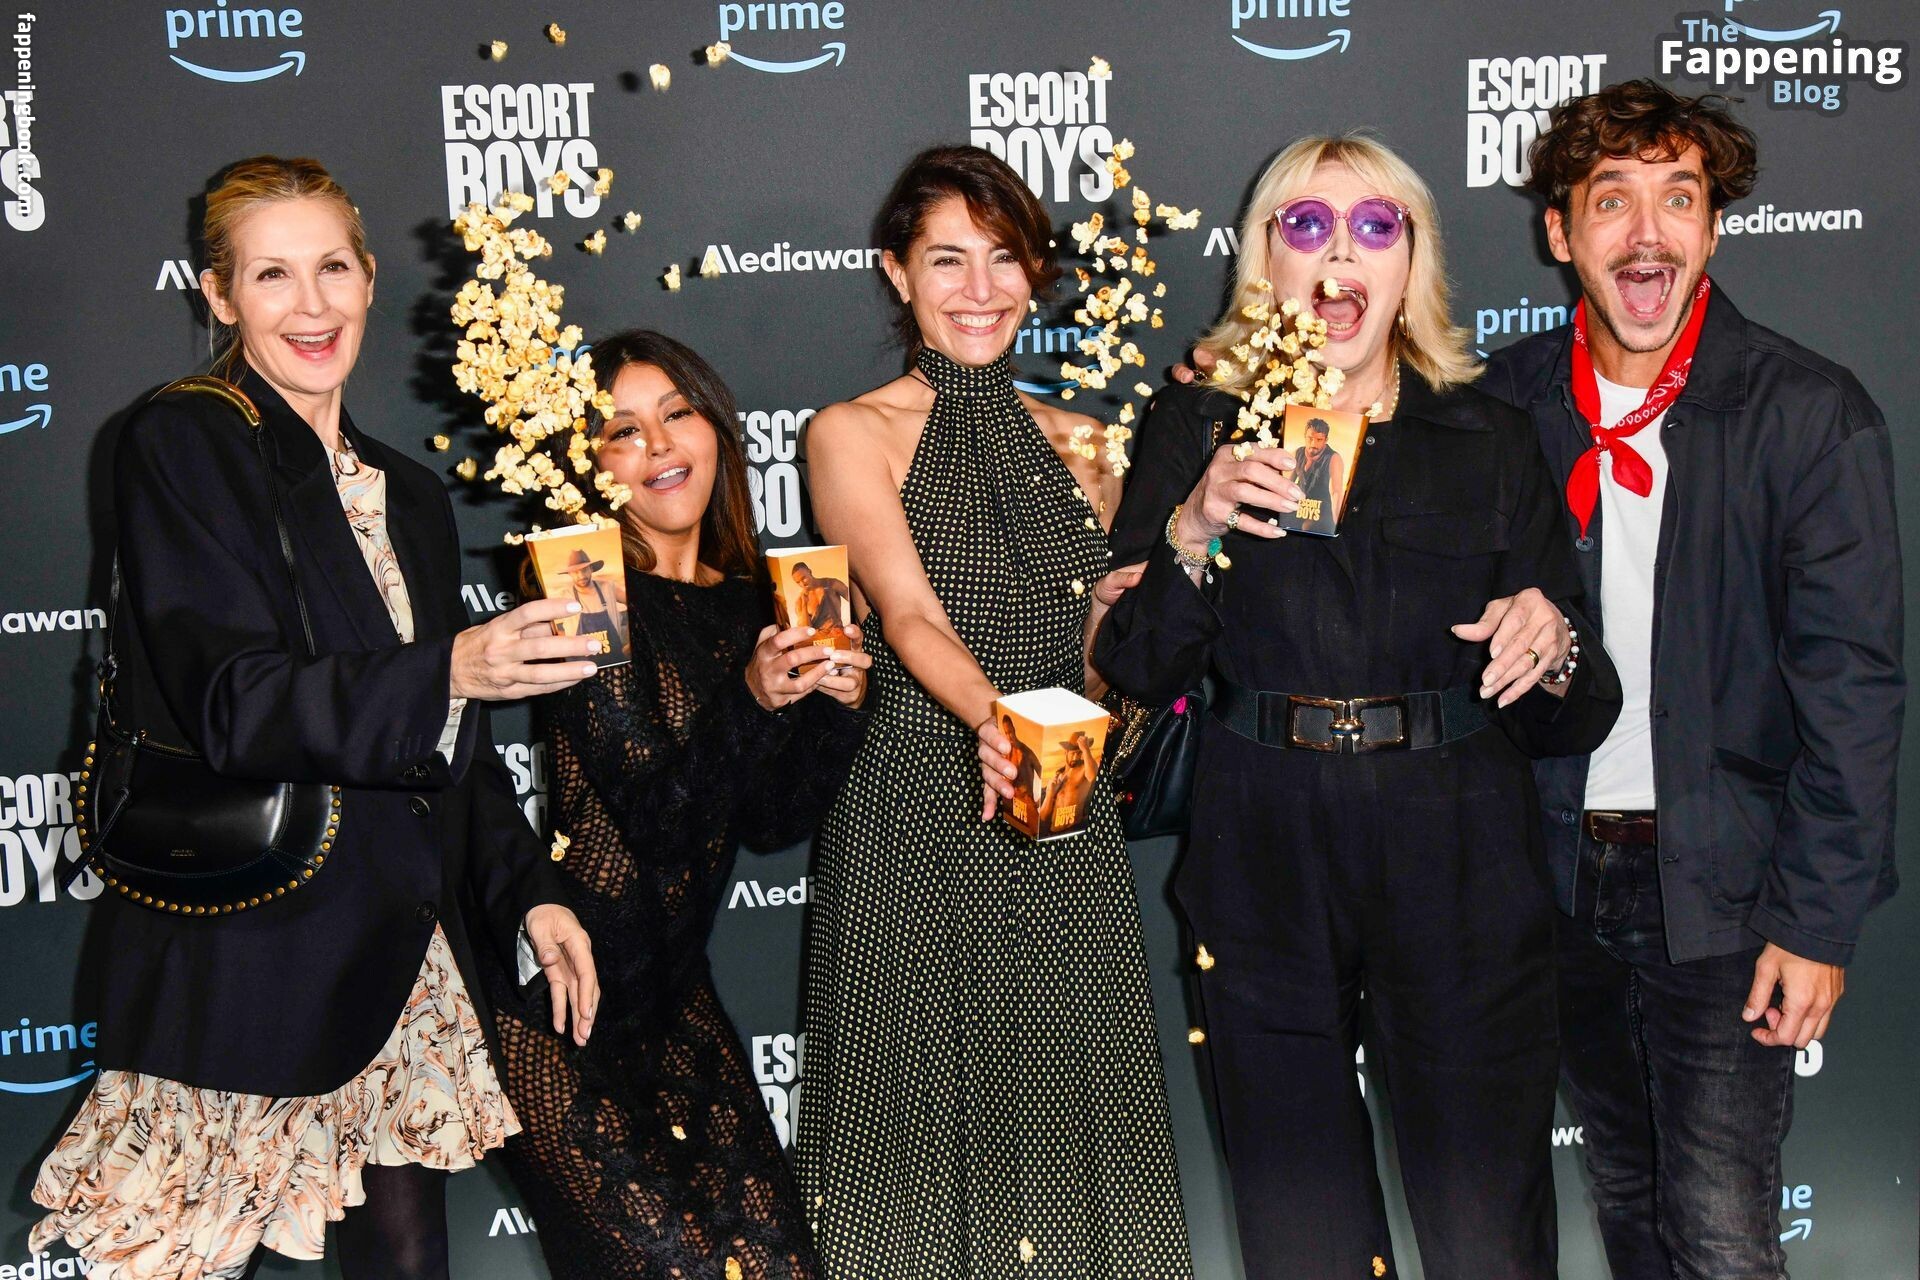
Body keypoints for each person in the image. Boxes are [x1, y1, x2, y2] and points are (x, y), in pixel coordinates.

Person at [30, 156, 599, 1280]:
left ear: (370, 278)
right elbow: (233, 702)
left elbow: (449, 749)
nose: (311, 305)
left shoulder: (410, 492)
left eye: (333, 268)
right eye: (271, 275)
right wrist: (451, 666)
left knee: (407, 1261)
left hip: (396, 950)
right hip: (247, 943)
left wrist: (529, 891)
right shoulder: (184, 441)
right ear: (218, 295)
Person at [1097, 134, 1621, 1279]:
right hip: (1261, 850)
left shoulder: (1490, 432)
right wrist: (1192, 526)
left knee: (1488, 1232)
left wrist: (1553, 644)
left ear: (1411, 260)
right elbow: (1137, 665)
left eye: (1376, 225)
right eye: (1308, 224)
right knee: (1302, 1238)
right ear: (1266, 259)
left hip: (1459, 849)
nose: (1341, 252)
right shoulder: (1197, 426)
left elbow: (1579, 709)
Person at [1484, 80, 1903, 1280]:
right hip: (1554, 875)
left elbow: (1853, 688)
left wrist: (1814, 922)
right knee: (1624, 1186)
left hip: (1725, 885)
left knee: (1719, 1225)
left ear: (1714, 229)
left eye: (1679, 198)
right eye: (1612, 199)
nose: (1648, 232)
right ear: (1560, 231)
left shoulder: (1809, 412)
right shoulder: (1502, 406)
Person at [797, 144, 1191, 1277]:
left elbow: (1095, 671)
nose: (981, 289)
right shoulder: (850, 431)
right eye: (947, 260)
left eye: (1005, 259)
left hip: (1058, 817)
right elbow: (908, 614)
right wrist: (996, 724)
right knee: (913, 1143)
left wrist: (1111, 631)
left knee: (1069, 1137)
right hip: (916, 814)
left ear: (1035, 272)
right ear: (897, 272)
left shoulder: (1088, 444)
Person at [488, 329, 868, 1280]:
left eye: (677, 414)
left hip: (676, 1007)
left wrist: (836, 707)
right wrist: (753, 700)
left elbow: (772, 821)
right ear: (587, 462)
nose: (658, 446)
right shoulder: (580, 583)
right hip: (557, 1018)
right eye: (623, 431)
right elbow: (657, 820)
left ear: (716, 430)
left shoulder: (751, 602)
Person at [559, 546, 631, 663]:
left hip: (615, 660)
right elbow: (553, 630)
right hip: (581, 665)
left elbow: (638, 605)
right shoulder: (564, 596)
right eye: (576, 572)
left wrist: (631, 643)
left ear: (591, 569)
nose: (581, 576)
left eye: (584, 569)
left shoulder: (608, 587)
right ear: (569, 574)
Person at [1290, 416, 1345, 534]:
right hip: (1300, 504)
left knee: (1307, 527)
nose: (1313, 444)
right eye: (1310, 438)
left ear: (1326, 440)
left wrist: (1337, 526)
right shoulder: (1298, 453)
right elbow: (1288, 483)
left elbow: (1336, 492)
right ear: (1305, 436)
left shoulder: (1333, 458)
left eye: (1319, 440)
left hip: (1322, 508)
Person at [791, 561, 852, 647]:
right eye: (798, 582)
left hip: (837, 635)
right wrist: (804, 603)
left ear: (810, 572)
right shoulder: (800, 601)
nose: (802, 584)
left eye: (803, 578)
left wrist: (851, 627)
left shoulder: (832, 584)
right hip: (818, 641)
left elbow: (854, 601)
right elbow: (805, 629)